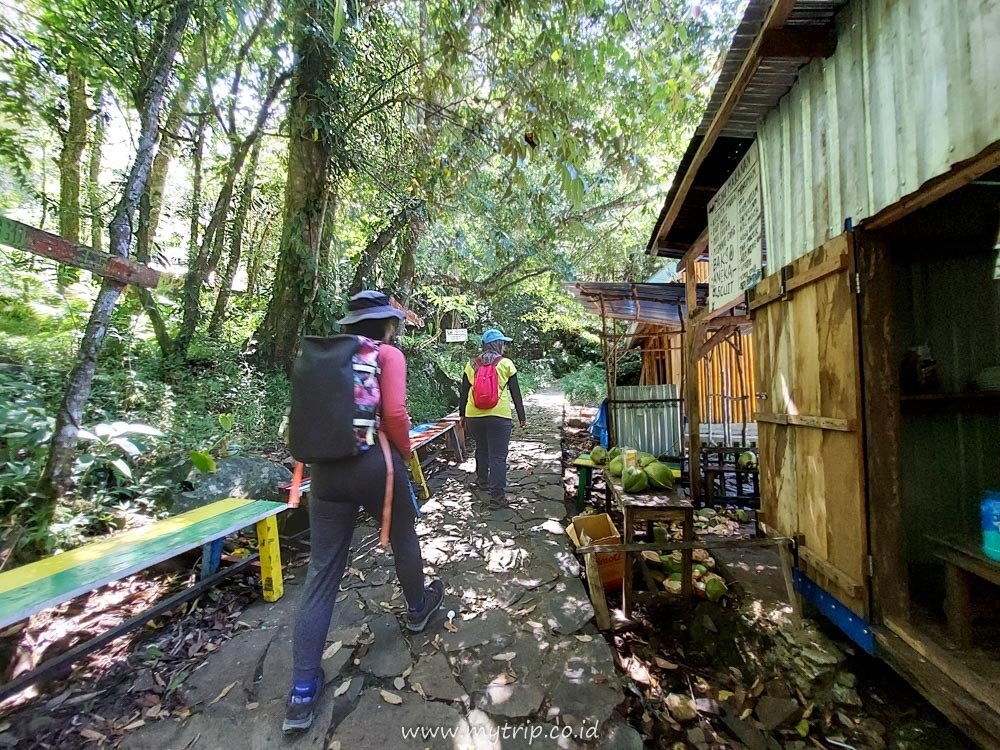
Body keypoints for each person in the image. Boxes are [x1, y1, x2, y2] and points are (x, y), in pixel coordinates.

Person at [284, 291, 444, 734]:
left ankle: (300, 692)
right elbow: (393, 411)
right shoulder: (387, 353)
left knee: (322, 572)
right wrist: (407, 449)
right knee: (404, 535)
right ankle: (417, 607)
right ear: (386, 324)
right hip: (377, 465)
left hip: (325, 474)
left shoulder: (326, 357)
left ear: (352, 322)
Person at [459, 328, 527, 508]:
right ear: (497, 344)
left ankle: (482, 482)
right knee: (498, 456)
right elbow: (516, 393)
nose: (504, 346)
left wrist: (462, 415)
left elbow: (464, 392)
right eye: (503, 343)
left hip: (474, 416)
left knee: (481, 449)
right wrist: (522, 417)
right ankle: (497, 498)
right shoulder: (506, 364)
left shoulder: (471, 364)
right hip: (499, 416)